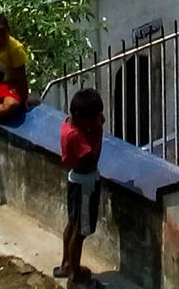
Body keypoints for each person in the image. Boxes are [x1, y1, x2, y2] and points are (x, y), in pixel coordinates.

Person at [55, 87, 105, 283]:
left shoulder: (68, 125)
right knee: (81, 230)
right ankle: (76, 274)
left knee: (72, 223)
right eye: (92, 118)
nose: (96, 121)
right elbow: (92, 159)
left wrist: (94, 124)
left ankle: (66, 264)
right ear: (80, 117)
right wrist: (98, 133)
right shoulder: (77, 137)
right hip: (85, 184)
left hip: (75, 180)